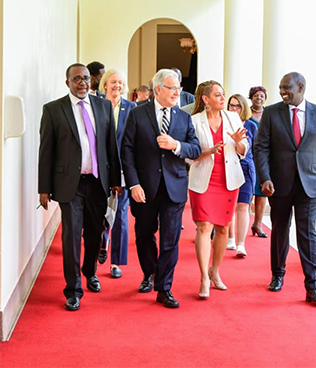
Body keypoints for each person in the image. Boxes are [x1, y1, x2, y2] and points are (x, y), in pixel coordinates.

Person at [38, 63, 121, 311]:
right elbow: (46, 152)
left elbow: (111, 147)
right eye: (76, 79)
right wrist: (44, 187)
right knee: (72, 237)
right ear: (68, 83)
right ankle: (73, 289)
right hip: (69, 184)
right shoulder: (54, 110)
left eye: (86, 78)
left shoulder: (104, 106)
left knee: (95, 233)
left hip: (98, 182)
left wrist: (115, 180)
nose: (82, 82)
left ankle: (90, 271)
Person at [120, 69, 201, 308]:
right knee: (144, 234)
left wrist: (176, 145)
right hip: (144, 188)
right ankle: (149, 273)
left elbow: (195, 150)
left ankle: (164, 287)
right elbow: (127, 151)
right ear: (157, 90)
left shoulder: (184, 117)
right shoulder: (137, 114)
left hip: (174, 188)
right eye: (172, 88)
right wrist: (133, 183)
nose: (177, 92)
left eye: (179, 88)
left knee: (170, 240)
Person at [254, 72, 316, 304]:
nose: (282, 92)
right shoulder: (271, 112)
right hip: (279, 183)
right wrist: (264, 177)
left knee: (307, 234)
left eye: (286, 87)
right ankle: (277, 274)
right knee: (280, 229)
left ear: (301, 87)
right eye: (280, 88)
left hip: (309, 184)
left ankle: (313, 286)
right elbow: (261, 148)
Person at [188, 81, 249, 299]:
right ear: (205, 99)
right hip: (203, 179)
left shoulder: (233, 118)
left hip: (228, 180)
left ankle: (215, 271)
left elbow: (243, 150)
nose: (223, 98)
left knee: (223, 228)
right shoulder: (194, 121)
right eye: (218, 95)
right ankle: (204, 276)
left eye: (223, 94)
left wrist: (239, 142)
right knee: (204, 226)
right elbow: (188, 154)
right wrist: (207, 151)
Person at [97, 70, 136, 278]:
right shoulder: (96, 106)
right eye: (113, 82)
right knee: (99, 211)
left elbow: (133, 141)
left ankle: (116, 262)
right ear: (105, 85)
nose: (117, 86)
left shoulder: (132, 108)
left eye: (121, 82)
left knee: (121, 214)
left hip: (122, 169)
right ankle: (103, 238)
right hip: (100, 170)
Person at [226, 94, 258, 258]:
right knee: (230, 205)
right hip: (228, 166)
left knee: (243, 205)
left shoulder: (251, 126)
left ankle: (241, 244)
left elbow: (254, 149)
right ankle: (230, 238)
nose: (234, 109)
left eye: (237, 106)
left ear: (243, 108)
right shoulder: (224, 123)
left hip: (246, 167)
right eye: (231, 105)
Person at [248, 86, 269, 237]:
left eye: (262, 96)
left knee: (262, 192)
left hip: (264, 159)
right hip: (248, 156)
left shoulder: (269, 114)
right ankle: (244, 220)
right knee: (247, 192)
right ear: (251, 97)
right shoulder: (246, 113)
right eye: (256, 95)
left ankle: (258, 224)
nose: (259, 98)